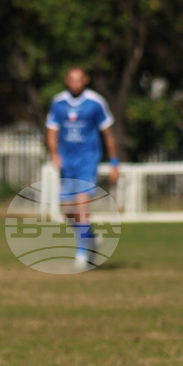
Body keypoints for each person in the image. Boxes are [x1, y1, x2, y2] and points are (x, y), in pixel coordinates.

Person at [46, 66, 120, 267]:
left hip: (88, 160)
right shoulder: (59, 103)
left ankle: (82, 253)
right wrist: (54, 154)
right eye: (72, 79)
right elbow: (52, 131)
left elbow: (108, 133)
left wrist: (114, 162)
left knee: (81, 206)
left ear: (85, 80)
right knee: (67, 211)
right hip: (67, 163)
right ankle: (92, 238)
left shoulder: (95, 102)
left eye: (79, 79)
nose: (76, 83)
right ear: (66, 80)